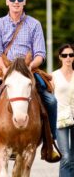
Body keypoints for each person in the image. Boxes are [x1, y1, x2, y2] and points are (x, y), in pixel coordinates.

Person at [0, 0, 61, 162]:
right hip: (4, 68)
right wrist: (5, 70)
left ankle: (51, 142)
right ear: (7, 2)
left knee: (51, 100)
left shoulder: (34, 24)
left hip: (29, 69)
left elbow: (41, 54)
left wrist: (28, 68)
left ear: (24, 2)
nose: (16, 2)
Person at [51, 44, 74, 177]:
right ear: (60, 57)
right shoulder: (53, 76)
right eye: (65, 55)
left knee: (73, 158)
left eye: (71, 55)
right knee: (65, 157)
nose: (68, 58)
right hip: (60, 119)